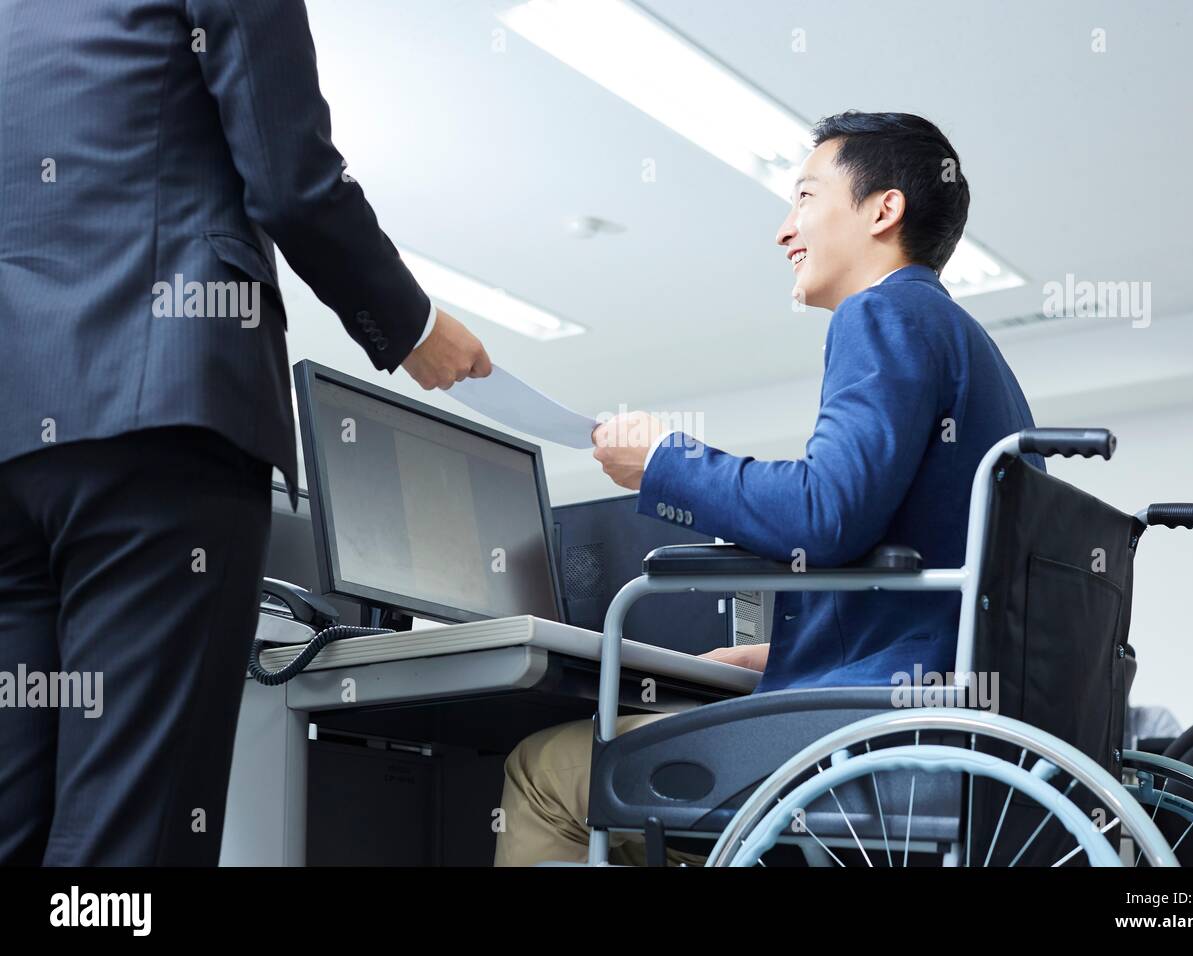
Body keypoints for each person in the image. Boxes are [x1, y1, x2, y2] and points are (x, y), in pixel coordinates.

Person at [0, 0, 488, 865]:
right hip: (156, 412)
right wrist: (409, 326)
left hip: (16, 438)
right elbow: (291, 177)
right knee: (129, 834)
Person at [495, 111, 1040, 866]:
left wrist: (663, 461)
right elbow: (922, 563)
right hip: (945, 715)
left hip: (876, 734)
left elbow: (825, 513)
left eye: (806, 199)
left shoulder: (880, 313)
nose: (785, 231)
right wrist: (781, 656)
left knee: (541, 772)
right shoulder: (968, 348)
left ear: (884, 210)